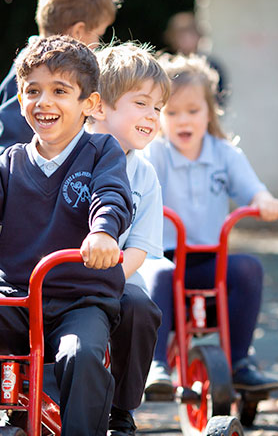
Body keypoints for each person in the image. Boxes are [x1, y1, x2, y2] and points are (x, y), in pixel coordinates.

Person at [0, 35, 133, 436]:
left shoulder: (103, 151)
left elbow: (112, 196)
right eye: (33, 91)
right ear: (19, 100)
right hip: (14, 297)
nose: (44, 102)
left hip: (80, 300)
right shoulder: (10, 163)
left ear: (91, 104)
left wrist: (103, 233)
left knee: (82, 355)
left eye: (59, 91)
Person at [140, 53, 278, 397]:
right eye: (171, 112)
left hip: (209, 262)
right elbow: (138, 188)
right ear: (158, 115)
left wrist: (263, 201)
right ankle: (156, 365)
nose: (182, 120)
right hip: (166, 257)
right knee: (157, 274)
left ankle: (238, 362)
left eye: (193, 111)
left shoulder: (224, 154)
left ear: (209, 111)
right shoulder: (155, 153)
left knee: (249, 269)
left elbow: (253, 189)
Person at [87, 42, 170, 436]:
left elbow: (139, 246)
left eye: (157, 108)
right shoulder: (70, 156)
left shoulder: (144, 176)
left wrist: (113, 274)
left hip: (116, 278)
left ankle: (121, 408)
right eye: (142, 103)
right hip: (59, 278)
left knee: (140, 309)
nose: (153, 116)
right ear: (100, 106)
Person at [0, 0, 122, 160]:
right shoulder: (28, 74)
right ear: (78, 32)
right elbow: (7, 152)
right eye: (99, 36)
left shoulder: (72, 73)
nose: (97, 46)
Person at [163, 11, 227, 105]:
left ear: (198, 36)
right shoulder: (168, 65)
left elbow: (219, 98)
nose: (185, 40)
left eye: (190, 35)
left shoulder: (211, 66)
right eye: (181, 36)